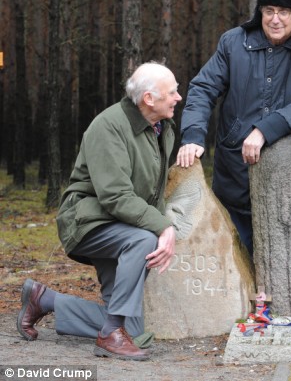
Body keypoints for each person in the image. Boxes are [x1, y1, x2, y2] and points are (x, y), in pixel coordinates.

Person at [17, 62, 182, 360]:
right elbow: (115, 196)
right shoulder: (110, 126)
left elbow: (152, 194)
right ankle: (109, 335)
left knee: (133, 328)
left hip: (120, 225)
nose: (178, 97)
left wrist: (155, 225)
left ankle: (45, 300)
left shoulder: (162, 129)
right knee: (143, 242)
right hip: (87, 221)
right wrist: (163, 227)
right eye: (172, 92)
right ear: (148, 98)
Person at [176, 0, 291, 256]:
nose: (275, 19)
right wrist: (193, 135)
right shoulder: (234, 42)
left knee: (281, 265)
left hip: (289, 176)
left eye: (283, 12)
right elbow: (203, 87)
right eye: (268, 11)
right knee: (232, 257)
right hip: (234, 169)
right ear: (259, 12)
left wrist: (264, 130)